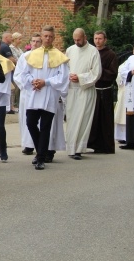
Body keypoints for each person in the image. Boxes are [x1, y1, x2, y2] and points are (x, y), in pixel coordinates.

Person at [20, 26, 70, 170]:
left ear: (54, 38)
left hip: (49, 94)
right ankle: (40, 150)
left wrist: (45, 82)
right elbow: (25, 73)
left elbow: (63, 77)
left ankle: (41, 157)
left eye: (50, 36)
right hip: (34, 94)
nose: (47, 38)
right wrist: (32, 81)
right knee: (30, 123)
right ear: (41, 36)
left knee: (45, 127)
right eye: (45, 36)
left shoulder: (59, 56)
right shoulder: (31, 54)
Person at [64, 28, 101, 160]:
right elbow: (65, 68)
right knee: (72, 119)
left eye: (79, 39)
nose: (76, 42)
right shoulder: (70, 50)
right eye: (74, 39)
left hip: (85, 90)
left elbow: (96, 72)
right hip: (72, 90)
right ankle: (70, 148)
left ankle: (79, 149)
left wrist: (80, 77)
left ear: (85, 37)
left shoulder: (93, 51)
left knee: (83, 119)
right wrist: (69, 76)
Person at [87, 31, 119, 154]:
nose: (97, 41)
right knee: (92, 118)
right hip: (92, 89)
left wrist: (97, 72)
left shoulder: (111, 55)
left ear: (105, 40)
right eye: (95, 38)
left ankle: (105, 146)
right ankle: (91, 143)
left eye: (100, 38)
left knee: (104, 119)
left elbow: (112, 73)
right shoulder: (90, 52)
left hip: (105, 91)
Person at [16, 33, 42, 155]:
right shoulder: (24, 57)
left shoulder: (44, 56)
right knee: (25, 118)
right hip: (27, 91)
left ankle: (38, 143)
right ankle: (28, 144)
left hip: (40, 91)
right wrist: (26, 85)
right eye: (33, 41)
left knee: (37, 120)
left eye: (38, 41)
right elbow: (18, 74)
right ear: (30, 43)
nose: (35, 44)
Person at [114, 44, 134, 142]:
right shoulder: (126, 63)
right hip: (126, 91)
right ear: (133, 51)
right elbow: (119, 76)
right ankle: (122, 136)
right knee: (122, 113)